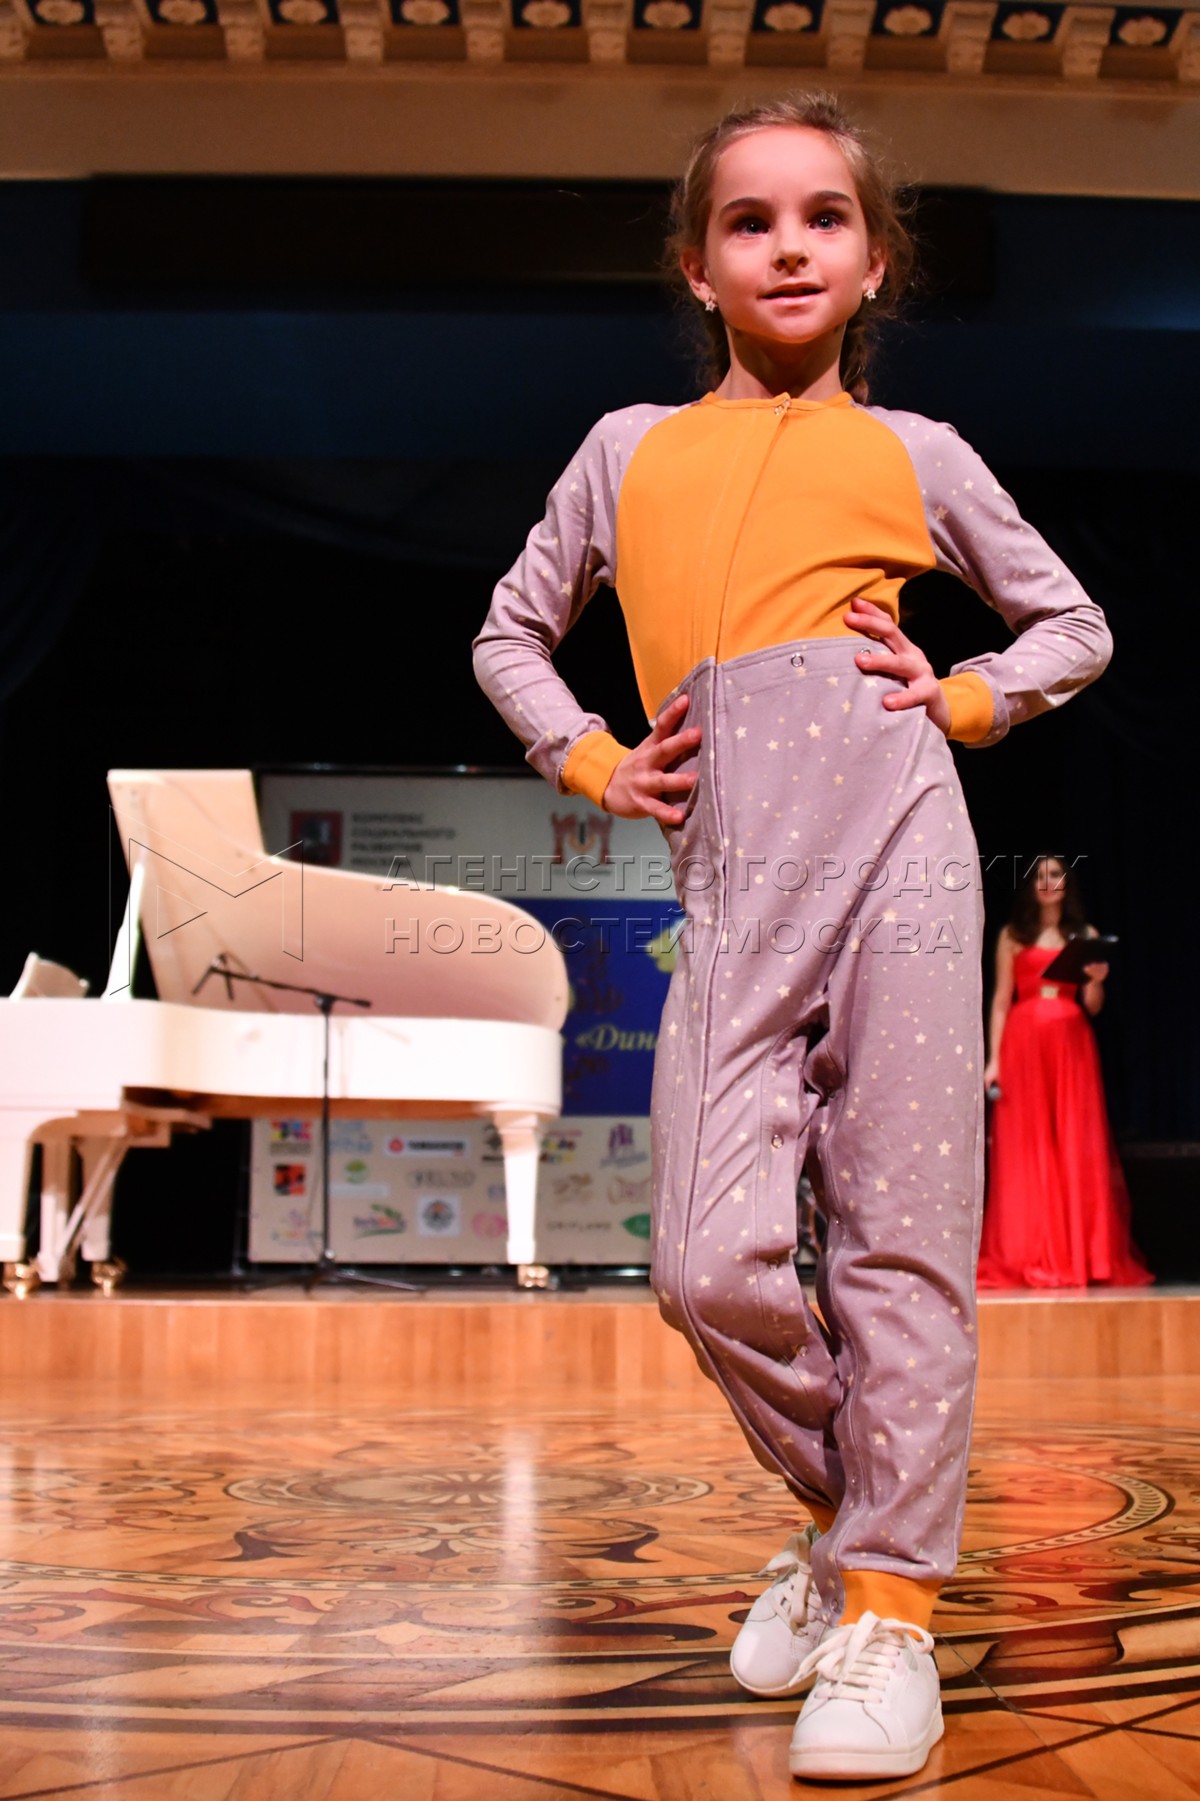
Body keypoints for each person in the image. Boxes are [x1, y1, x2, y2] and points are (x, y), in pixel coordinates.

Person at [473, 91, 1112, 1781]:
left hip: (905, 852)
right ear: (697, 266)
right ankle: (849, 1525)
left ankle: (891, 1612)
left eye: (825, 215)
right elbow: (511, 635)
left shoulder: (920, 454)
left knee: (902, 1246)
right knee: (704, 1262)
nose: (788, 245)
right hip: (737, 884)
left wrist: (964, 696)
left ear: (874, 259)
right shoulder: (626, 450)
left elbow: (1073, 623)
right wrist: (597, 758)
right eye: (748, 220)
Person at [978, 856, 1152, 1289]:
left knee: (1074, 1143)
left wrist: (1096, 981)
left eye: (1055, 874)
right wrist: (993, 1060)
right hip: (1023, 1044)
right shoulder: (1013, 936)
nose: (1047, 882)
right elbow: (1000, 1001)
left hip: (1071, 1044)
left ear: (1066, 884)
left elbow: (1092, 1006)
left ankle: (1080, 1253)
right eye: (1040, 876)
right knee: (1027, 1146)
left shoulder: (1083, 935)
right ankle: (1027, 1251)